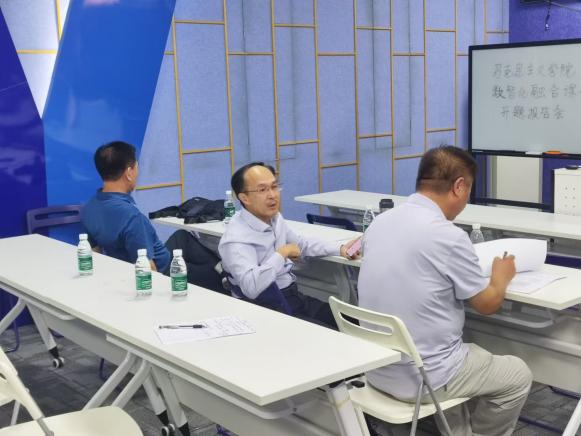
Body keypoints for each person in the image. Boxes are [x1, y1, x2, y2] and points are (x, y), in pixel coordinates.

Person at [358, 146, 532, 436]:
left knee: (459, 350)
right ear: (459, 186)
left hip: (377, 369)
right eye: (468, 191)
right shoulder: (448, 235)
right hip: (426, 377)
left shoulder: (379, 223)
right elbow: (486, 304)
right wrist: (501, 278)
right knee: (518, 375)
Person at [218, 162, 358, 327]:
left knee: (354, 321)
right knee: (337, 334)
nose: (272, 195)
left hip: (292, 297)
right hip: (265, 309)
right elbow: (251, 287)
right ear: (244, 198)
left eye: (274, 187)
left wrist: (340, 249)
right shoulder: (236, 239)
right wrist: (282, 253)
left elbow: (300, 244)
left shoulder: (275, 218)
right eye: (262, 190)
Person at [81, 141, 222, 291]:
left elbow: (95, 253)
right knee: (219, 279)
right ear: (129, 173)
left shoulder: (89, 207)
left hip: (145, 258)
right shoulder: (132, 217)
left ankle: (218, 266)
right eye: (136, 166)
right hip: (164, 271)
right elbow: (149, 270)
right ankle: (221, 273)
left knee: (183, 236)